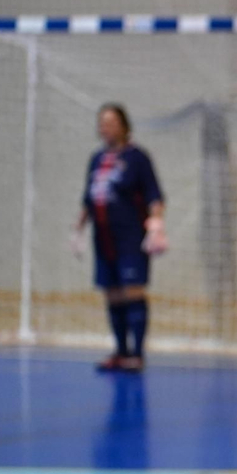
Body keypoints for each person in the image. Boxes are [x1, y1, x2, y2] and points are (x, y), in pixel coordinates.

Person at [71, 104, 167, 373]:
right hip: (104, 239)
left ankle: (137, 354)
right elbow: (89, 199)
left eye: (111, 122)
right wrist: (78, 229)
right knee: (112, 293)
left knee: (132, 290)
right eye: (102, 123)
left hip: (130, 238)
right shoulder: (96, 159)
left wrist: (156, 225)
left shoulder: (137, 158)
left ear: (124, 126)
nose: (106, 128)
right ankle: (121, 351)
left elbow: (154, 195)